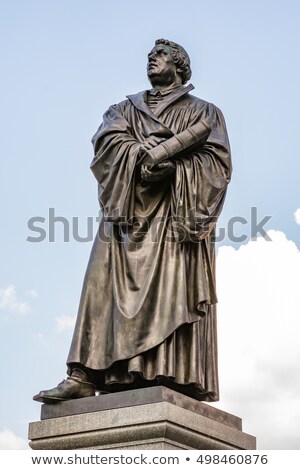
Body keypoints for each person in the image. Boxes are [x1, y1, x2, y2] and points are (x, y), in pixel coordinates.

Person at [33, 39, 232, 404]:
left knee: (169, 287)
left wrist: (175, 167)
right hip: (126, 212)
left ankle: (165, 370)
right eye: (150, 56)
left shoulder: (204, 113)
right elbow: (107, 144)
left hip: (173, 214)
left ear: (180, 65)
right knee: (99, 283)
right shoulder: (123, 109)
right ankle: (83, 373)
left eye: (160, 55)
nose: (152, 60)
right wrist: (141, 154)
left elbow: (216, 167)